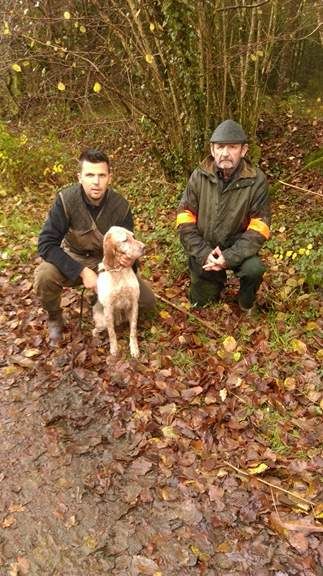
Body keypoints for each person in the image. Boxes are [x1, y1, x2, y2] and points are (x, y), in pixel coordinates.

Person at [34, 148, 155, 345]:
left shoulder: (120, 206)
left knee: (147, 303)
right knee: (44, 275)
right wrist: (81, 271)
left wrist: (129, 260)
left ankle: (99, 300)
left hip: (110, 264)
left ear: (110, 177)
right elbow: (46, 244)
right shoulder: (65, 201)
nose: (96, 181)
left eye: (101, 175)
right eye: (90, 175)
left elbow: (129, 247)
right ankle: (55, 318)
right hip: (74, 258)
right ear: (80, 177)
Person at [176, 119, 271, 312]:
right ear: (212, 150)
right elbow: (184, 218)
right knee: (200, 304)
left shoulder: (257, 180)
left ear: (243, 150)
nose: (225, 153)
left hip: (239, 248)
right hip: (206, 248)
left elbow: (259, 228)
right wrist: (203, 254)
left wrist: (229, 257)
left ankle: (245, 302)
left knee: (254, 269)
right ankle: (213, 283)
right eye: (220, 147)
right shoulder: (199, 176)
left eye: (232, 147)